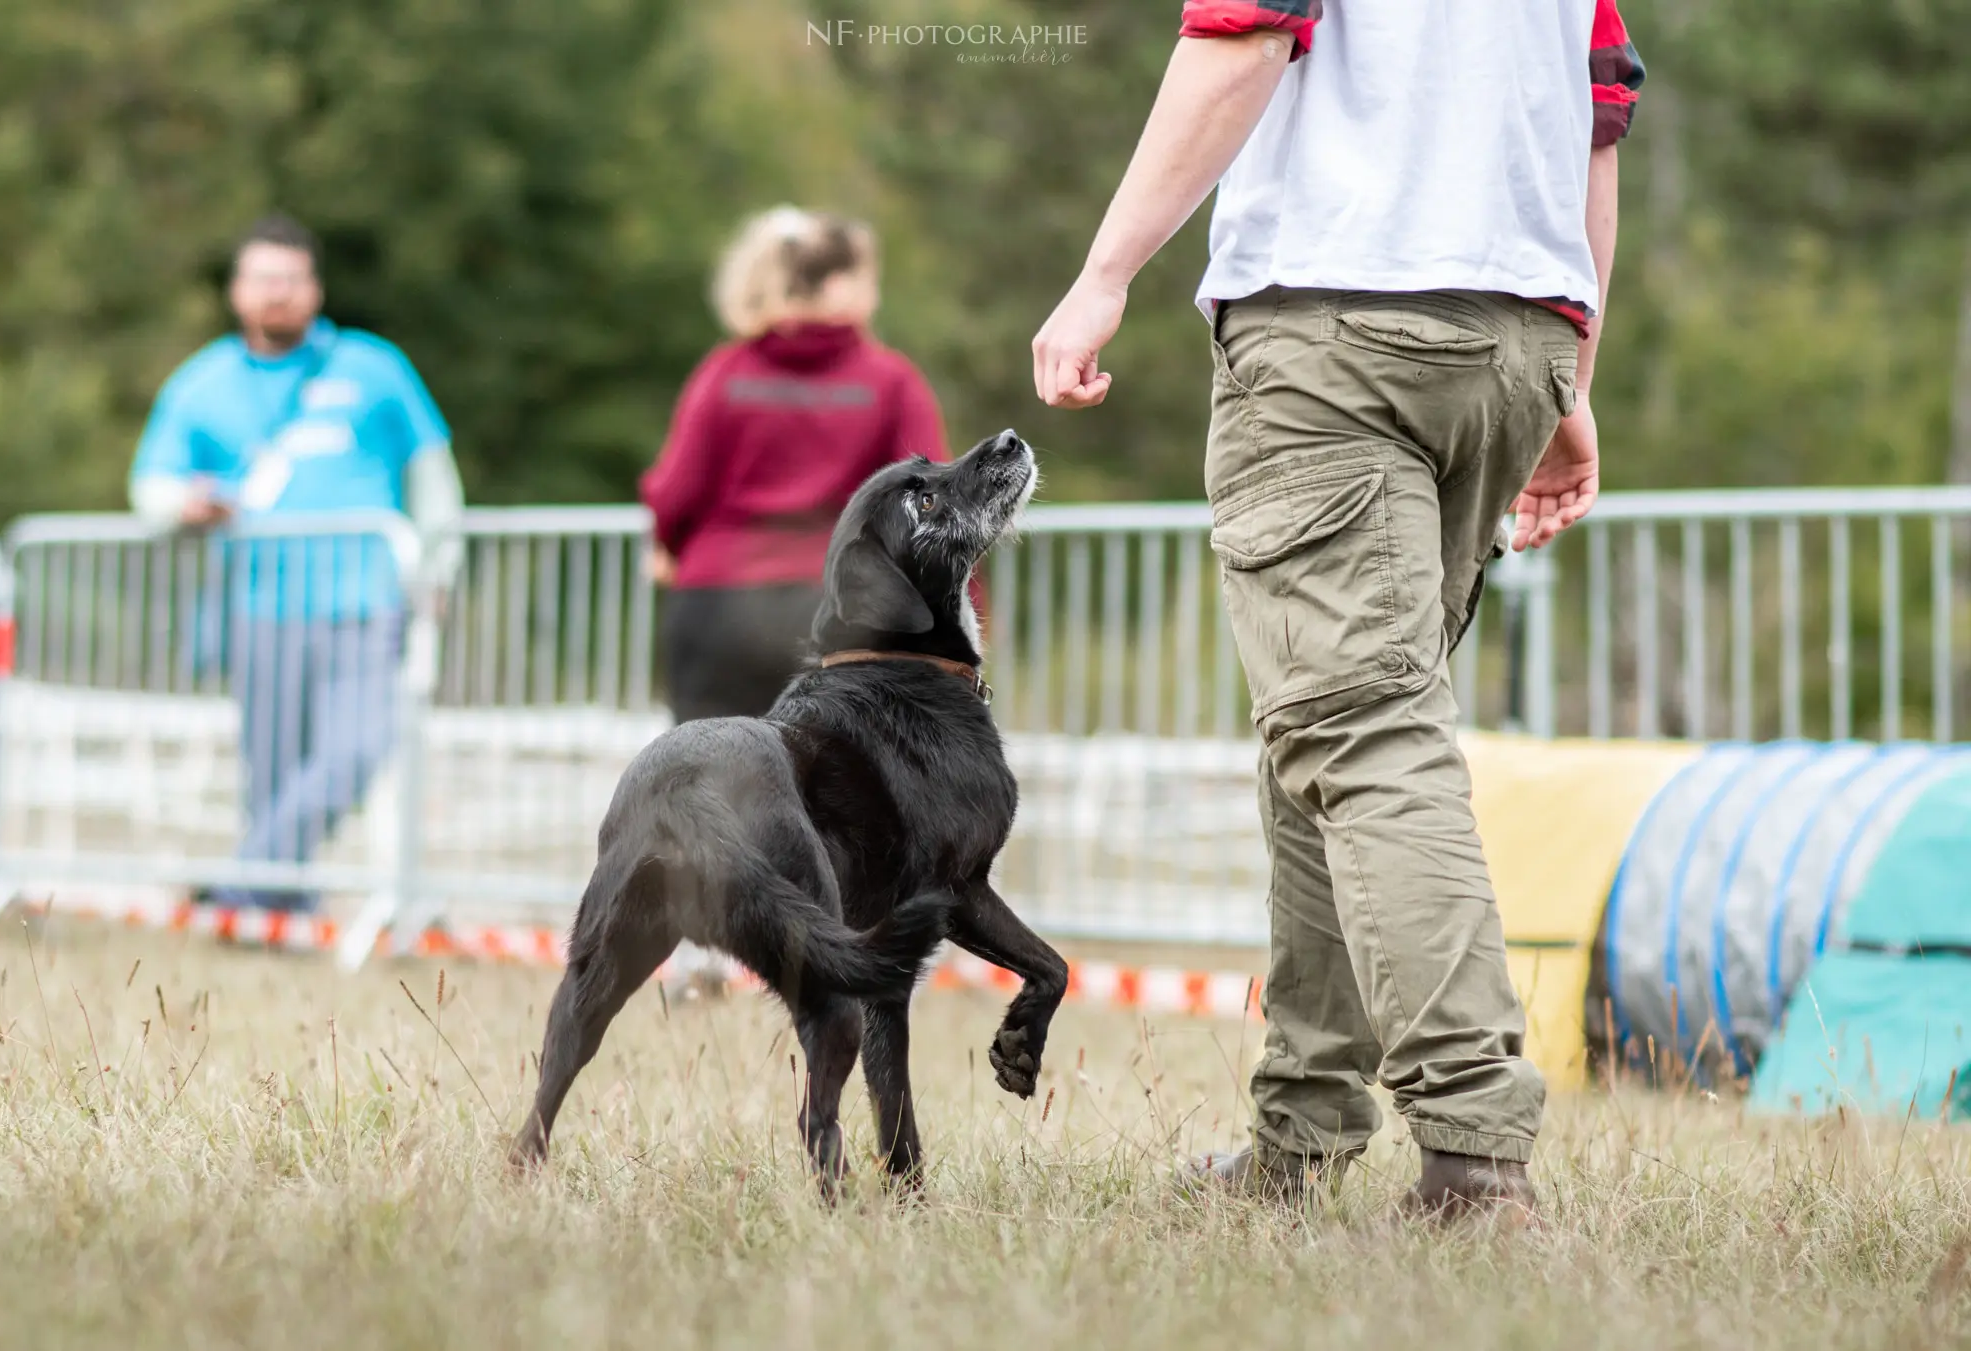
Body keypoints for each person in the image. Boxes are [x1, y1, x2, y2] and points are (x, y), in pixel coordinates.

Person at [1032, 1, 1644, 1216]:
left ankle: (1474, 1147)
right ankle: (1299, 1134)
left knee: (1363, 739)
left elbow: (1242, 38)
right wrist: (1569, 374)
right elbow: (1594, 124)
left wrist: (1101, 277)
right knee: (1329, 734)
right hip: (1511, 341)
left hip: (1333, 323)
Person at [640, 206, 951, 996]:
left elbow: (675, 489)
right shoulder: (887, 380)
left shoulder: (728, 371)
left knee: (705, 781)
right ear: (843, 285)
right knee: (838, 789)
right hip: (828, 613)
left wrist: (671, 541)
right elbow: (930, 502)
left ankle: (703, 955)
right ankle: (847, 951)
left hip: (715, 602)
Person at [130, 213, 465, 914]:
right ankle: (280, 909)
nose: (276, 292)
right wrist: (183, 507)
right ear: (236, 290)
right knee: (274, 778)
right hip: (259, 606)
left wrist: (438, 566)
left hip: (364, 598)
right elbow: (151, 486)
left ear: (314, 288)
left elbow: (433, 473)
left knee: (355, 752)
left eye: (290, 278)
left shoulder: (375, 368)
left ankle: (237, 882)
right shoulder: (202, 383)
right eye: (262, 278)